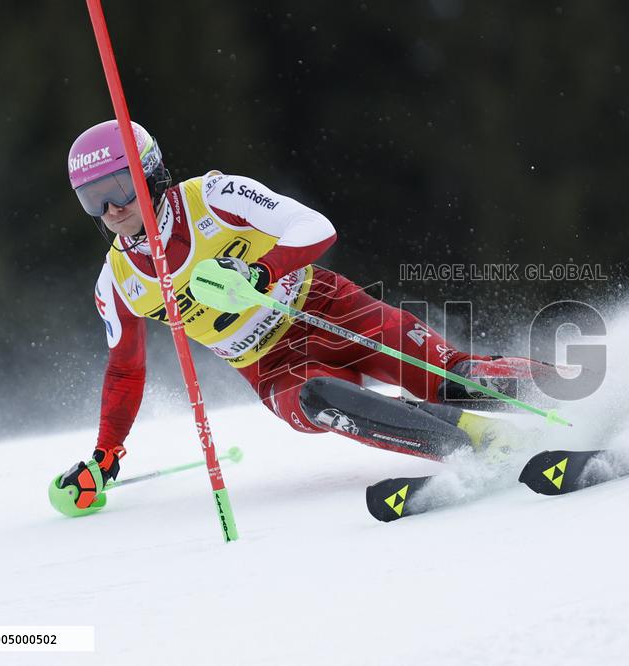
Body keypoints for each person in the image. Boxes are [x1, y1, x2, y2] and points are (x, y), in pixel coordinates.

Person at [49, 120, 558, 517]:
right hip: (272, 366)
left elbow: (315, 227)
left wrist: (259, 271)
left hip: (329, 307)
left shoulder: (214, 197)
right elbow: (124, 370)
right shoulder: (117, 281)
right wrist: (107, 453)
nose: (111, 209)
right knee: (320, 399)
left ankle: (587, 387)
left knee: (450, 377)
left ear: (151, 172)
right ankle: (474, 442)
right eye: (93, 199)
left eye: (119, 186)